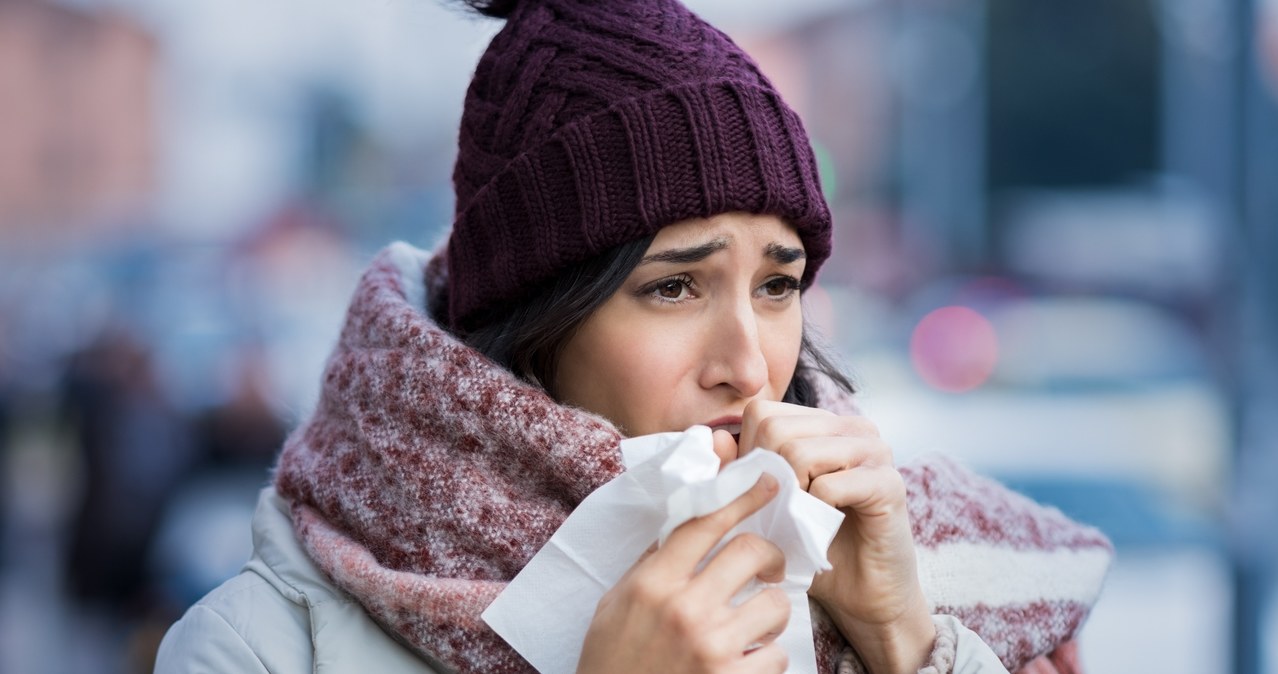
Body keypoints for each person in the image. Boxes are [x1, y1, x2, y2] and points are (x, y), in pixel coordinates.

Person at [155, 0, 1111, 672]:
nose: (749, 365)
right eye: (675, 286)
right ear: (535, 323)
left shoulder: (901, 565)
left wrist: (906, 638)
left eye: (778, 285)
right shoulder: (262, 647)